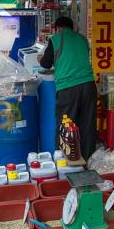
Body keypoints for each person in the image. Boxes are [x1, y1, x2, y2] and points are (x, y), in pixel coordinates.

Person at [39, 16, 97, 159]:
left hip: (68, 88)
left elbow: (46, 64)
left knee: (66, 126)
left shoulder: (55, 39)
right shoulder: (83, 39)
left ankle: (64, 160)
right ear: (72, 28)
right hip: (89, 86)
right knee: (87, 125)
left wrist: (40, 59)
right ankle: (88, 160)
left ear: (57, 28)